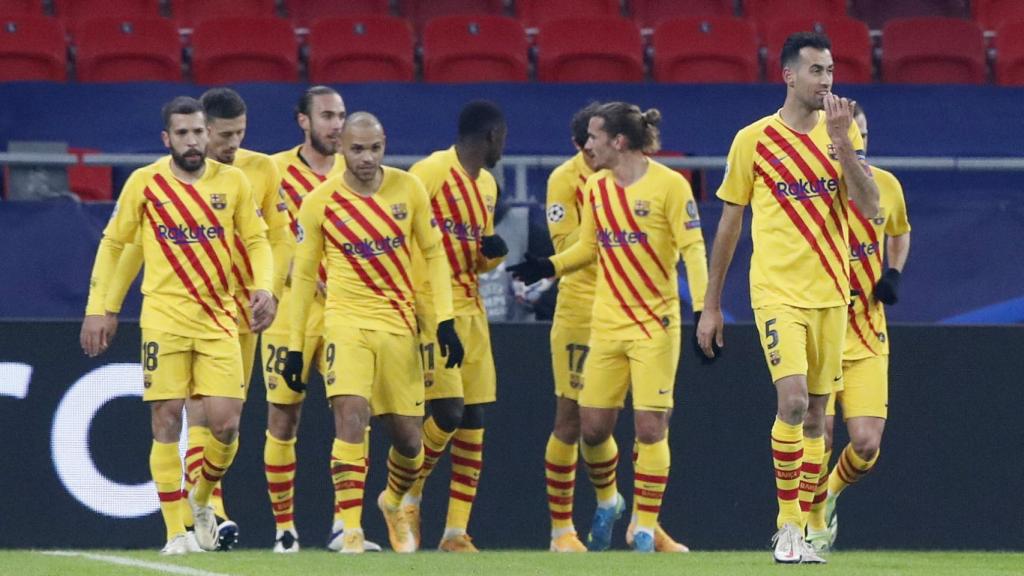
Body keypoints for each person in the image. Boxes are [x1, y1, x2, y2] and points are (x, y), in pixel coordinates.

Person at [696, 31, 880, 564]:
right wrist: (710, 305)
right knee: (795, 401)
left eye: (830, 71)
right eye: (817, 71)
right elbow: (729, 227)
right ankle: (789, 528)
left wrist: (845, 144)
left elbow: (869, 207)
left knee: (820, 416)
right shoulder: (752, 140)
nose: (826, 81)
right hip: (777, 292)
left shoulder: (840, 134)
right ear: (789, 76)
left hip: (830, 292)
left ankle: (811, 522)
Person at [510, 101, 710, 553]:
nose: (587, 145)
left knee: (650, 426)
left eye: (594, 137)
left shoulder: (670, 187)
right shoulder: (596, 188)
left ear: (618, 141)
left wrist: (703, 309)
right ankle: (618, 508)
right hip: (606, 325)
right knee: (594, 428)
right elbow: (588, 247)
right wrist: (548, 265)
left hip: (654, 325)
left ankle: (644, 524)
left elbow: (694, 250)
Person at [80, 96, 275, 554]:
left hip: (219, 318)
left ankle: (201, 499)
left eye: (198, 132)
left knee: (226, 425)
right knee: (165, 419)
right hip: (164, 319)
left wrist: (264, 287)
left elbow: (258, 240)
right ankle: (174, 533)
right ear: (167, 139)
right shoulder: (144, 184)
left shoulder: (234, 183)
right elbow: (114, 245)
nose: (192, 141)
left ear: (207, 134)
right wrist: (99, 307)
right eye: (182, 134)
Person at [279, 112, 465, 554]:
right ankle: (351, 531)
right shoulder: (319, 202)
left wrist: (444, 320)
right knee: (351, 415)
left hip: (399, 327)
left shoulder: (409, 189)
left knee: (409, 442)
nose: (366, 158)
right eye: (357, 149)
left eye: (374, 148)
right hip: (345, 323)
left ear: (385, 146)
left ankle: (393, 500)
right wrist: (292, 348)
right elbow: (304, 277)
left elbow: (434, 254)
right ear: (341, 147)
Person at [400, 101, 509, 553]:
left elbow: (476, 258)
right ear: (491, 136)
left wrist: (493, 254)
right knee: (447, 412)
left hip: (472, 308)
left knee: (474, 418)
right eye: (503, 137)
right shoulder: (429, 173)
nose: (504, 145)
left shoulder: (486, 186)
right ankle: (407, 490)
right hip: (431, 310)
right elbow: (401, 233)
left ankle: (454, 532)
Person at [805, 103, 911, 551]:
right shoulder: (812, 190)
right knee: (820, 434)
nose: (857, 143)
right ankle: (808, 522)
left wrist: (893, 273)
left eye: (862, 133)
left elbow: (900, 230)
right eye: (849, 134)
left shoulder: (885, 185)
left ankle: (826, 496)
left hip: (868, 332)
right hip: (821, 330)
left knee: (866, 444)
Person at [261, 86, 356, 553]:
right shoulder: (272, 171)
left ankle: (346, 525)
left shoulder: (355, 172)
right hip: (287, 311)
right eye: (326, 116)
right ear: (303, 120)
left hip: (343, 309)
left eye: (340, 116)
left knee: (350, 411)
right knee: (284, 415)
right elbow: (256, 234)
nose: (336, 125)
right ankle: (285, 530)